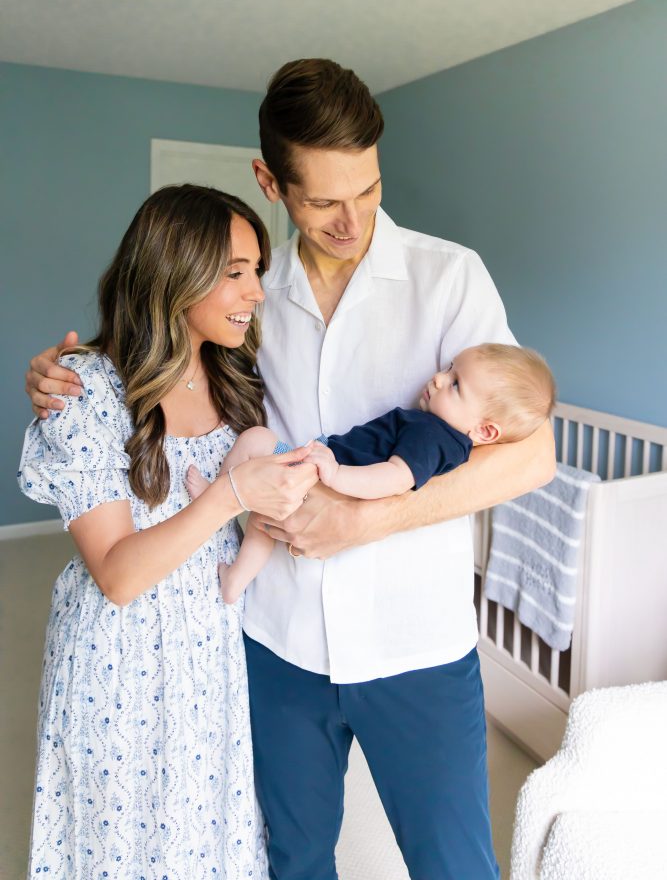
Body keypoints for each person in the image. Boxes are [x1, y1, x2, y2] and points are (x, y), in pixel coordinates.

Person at [26, 58, 556, 880]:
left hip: (411, 639)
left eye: (368, 190)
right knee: (290, 858)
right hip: (273, 638)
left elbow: (530, 453)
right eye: (321, 201)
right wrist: (68, 373)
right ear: (269, 181)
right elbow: (160, 366)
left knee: (453, 863)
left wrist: (361, 520)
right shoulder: (244, 291)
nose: (351, 220)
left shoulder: (450, 277)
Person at [17, 185, 317, 878]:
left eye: (257, 271)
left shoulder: (240, 379)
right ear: (173, 270)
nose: (255, 292)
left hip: (209, 651)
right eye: (234, 271)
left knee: (202, 833)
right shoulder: (85, 389)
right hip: (116, 659)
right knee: (116, 839)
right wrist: (230, 494)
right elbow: (117, 575)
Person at [185, 343, 556, 605]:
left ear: (486, 432)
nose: (440, 379)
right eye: (448, 369)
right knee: (266, 521)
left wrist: (334, 474)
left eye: (456, 384)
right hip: (320, 475)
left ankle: (217, 496)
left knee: (255, 440)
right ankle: (236, 581)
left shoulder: (433, 435)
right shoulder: (443, 436)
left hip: (318, 474)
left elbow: (396, 478)